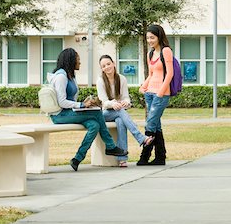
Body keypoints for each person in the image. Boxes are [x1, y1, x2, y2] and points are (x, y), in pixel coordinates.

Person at [47, 48, 128, 171]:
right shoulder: (61, 77)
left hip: (70, 112)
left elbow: (70, 99)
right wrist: (81, 105)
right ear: (71, 60)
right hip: (60, 115)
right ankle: (110, 146)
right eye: (78, 60)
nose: (80, 62)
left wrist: (85, 103)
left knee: (94, 125)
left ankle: (77, 159)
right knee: (97, 112)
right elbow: (61, 102)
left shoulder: (70, 76)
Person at [97, 55, 154, 168]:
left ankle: (122, 159)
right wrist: (114, 104)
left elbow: (126, 97)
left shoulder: (122, 79)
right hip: (105, 114)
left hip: (119, 111)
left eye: (108, 64)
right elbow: (103, 101)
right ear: (102, 69)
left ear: (113, 63)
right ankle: (141, 138)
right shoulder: (100, 80)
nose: (107, 67)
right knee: (120, 112)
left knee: (120, 122)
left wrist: (125, 103)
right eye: (103, 66)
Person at [137, 24, 174, 166]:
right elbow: (151, 74)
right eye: (147, 38)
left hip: (161, 94)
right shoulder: (150, 54)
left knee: (150, 124)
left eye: (152, 37)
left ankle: (144, 156)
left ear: (159, 36)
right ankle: (160, 157)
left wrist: (160, 92)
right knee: (156, 125)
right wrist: (144, 86)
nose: (150, 40)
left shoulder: (166, 51)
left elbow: (170, 74)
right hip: (149, 94)